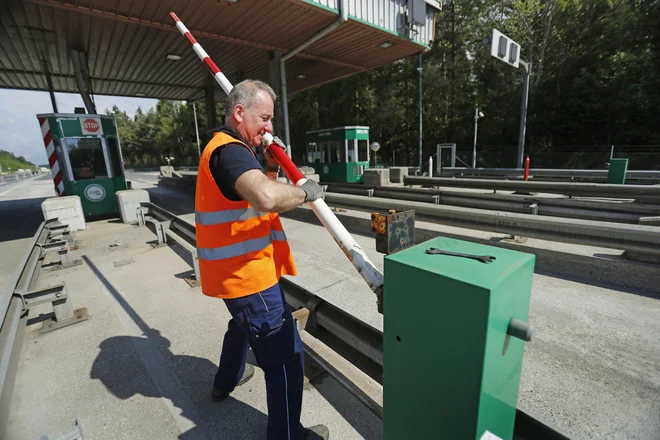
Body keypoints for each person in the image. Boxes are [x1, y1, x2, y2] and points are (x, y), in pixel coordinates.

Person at [195, 79, 328, 440]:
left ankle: (226, 381)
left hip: (232, 277)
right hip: (249, 279)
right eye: (265, 118)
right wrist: (304, 192)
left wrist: (269, 162)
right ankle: (288, 435)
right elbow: (266, 198)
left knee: (240, 327)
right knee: (286, 360)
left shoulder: (224, 149)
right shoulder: (231, 151)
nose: (270, 128)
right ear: (239, 112)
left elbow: (246, 199)